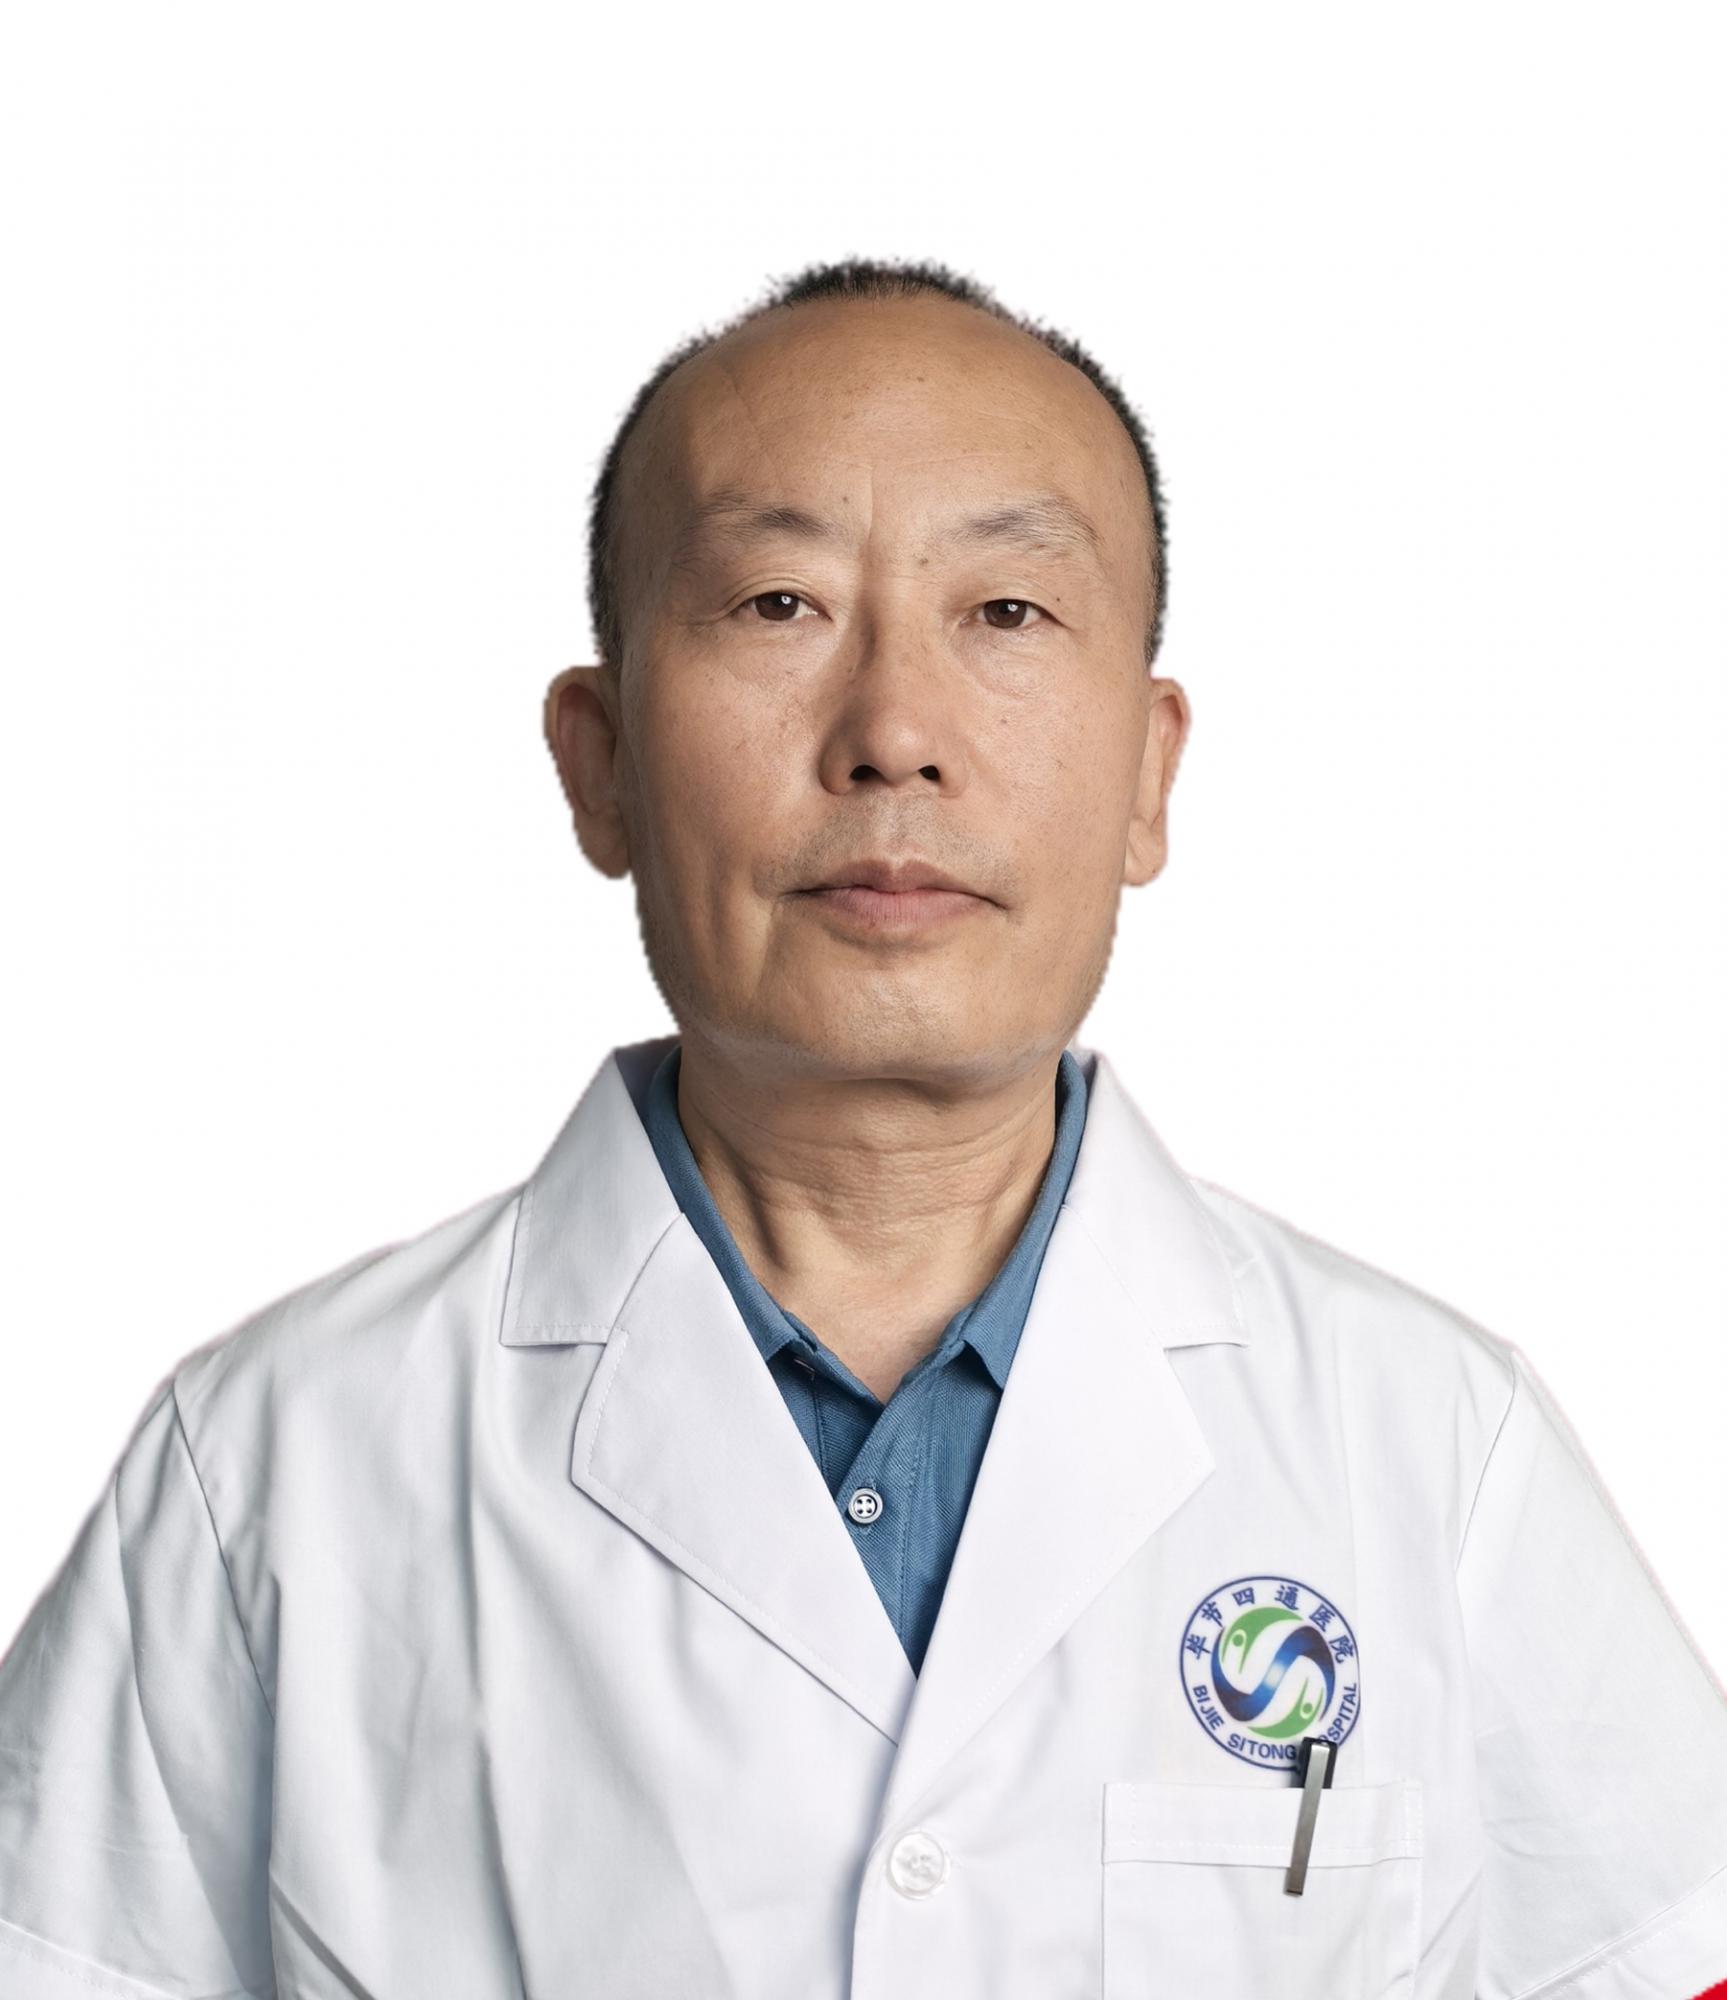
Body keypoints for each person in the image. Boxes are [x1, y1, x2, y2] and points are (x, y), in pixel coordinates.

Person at [1, 255, 1723, 2000]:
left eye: (1008, 612)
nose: (895, 734)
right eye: (777, 603)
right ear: (599, 762)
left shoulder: (1429, 1450)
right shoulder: (272, 1469)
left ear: (1148, 771)